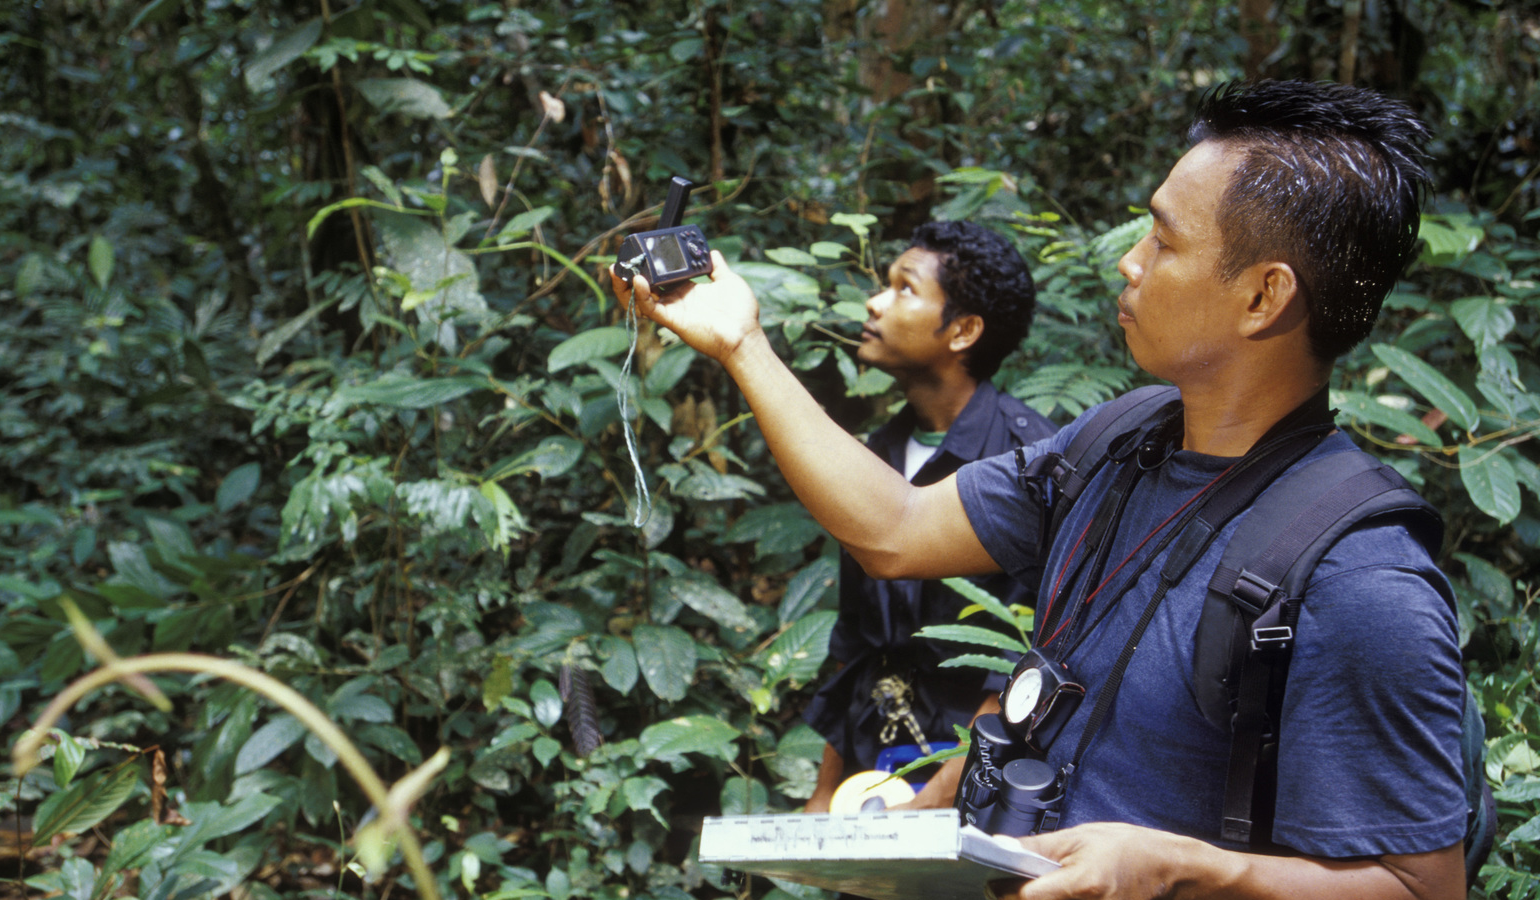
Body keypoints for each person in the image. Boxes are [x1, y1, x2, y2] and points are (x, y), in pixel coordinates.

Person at [615, 79, 1466, 900]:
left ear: (1263, 295)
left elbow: (1423, 889)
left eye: (1163, 241)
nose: (1130, 263)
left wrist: (1187, 867)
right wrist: (741, 344)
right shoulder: (1121, 442)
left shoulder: (1361, 580)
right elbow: (897, 528)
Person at [799, 221, 1054, 814]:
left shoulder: (1030, 462)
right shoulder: (875, 457)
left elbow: (1029, 665)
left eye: (904, 288)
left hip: (977, 789)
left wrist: (932, 808)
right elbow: (855, 644)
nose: (875, 302)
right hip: (869, 781)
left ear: (963, 331)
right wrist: (822, 795)